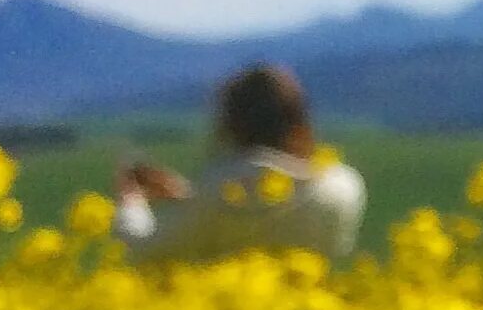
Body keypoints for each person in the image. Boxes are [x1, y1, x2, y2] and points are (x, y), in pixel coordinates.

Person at [116, 63, 366, 263]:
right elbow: (268, 205)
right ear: (298, 120)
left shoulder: (217, 193)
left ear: (232, 125)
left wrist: (131, 200)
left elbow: (143, 248)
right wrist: (188, 196)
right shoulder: (344, 187)